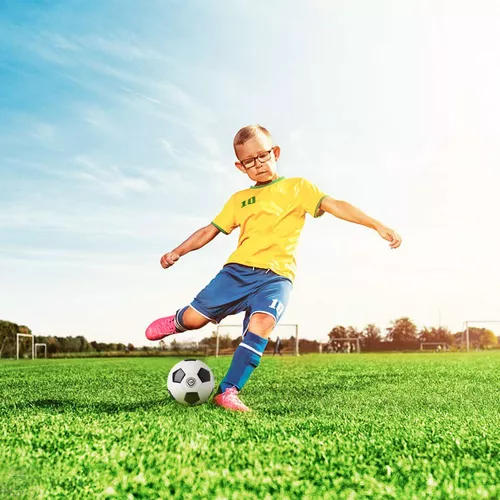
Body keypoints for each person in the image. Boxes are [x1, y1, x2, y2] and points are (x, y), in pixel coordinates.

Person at [145, 124, 402, 412]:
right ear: (240, 167)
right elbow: (210, 230)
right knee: (196, 320)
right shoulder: (239, 200)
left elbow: (336, 205)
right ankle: (180, 320)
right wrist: (177, 251)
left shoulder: (298, 187)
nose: (257, 165)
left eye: (263, 156)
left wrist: (377, 224)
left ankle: (228, 391)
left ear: (275, 152)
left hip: (277, 278)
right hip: (237, 272)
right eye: (249, 162)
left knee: (262, 324)